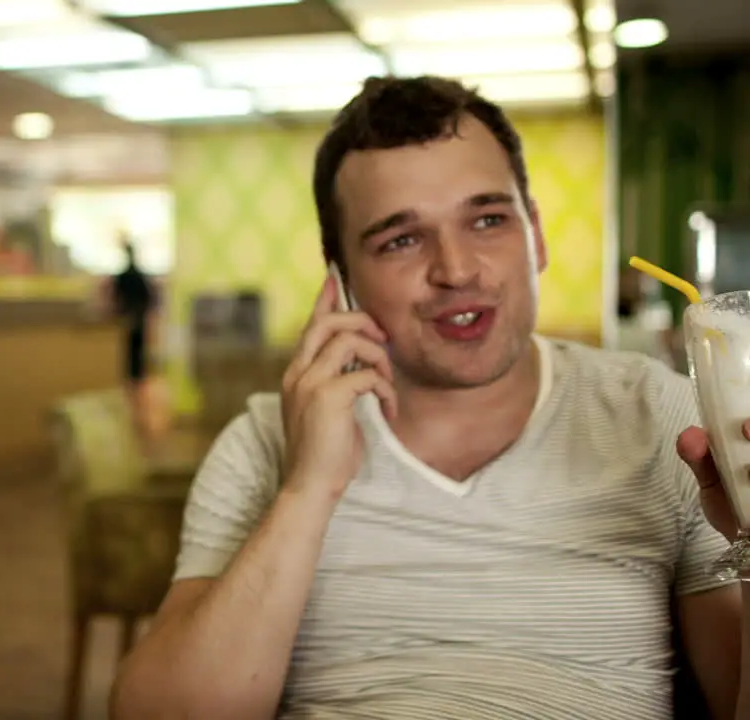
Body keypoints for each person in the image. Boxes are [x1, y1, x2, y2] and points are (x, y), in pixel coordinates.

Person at [111, 76, 745, 720]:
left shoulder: (661, 414)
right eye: (401, 239)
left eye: (489, 219)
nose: (457, 269)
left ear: (537, 237)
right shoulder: (265, 440)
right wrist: (307, 491)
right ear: (341, 279)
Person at [110, 241, 157, 424]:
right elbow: (149, 299)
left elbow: (117, 300)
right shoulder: (138, 276)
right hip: (137, 321)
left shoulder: (125, 276)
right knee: (136, 359)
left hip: (130, 321)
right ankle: (135, 395)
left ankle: (134, 395)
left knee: (132, 359)